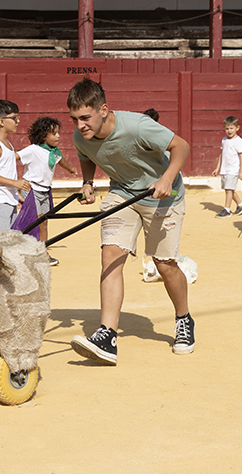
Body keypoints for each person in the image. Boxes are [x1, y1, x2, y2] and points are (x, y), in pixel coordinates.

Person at [67, 77, 194, 364]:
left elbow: (181, 147)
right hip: (122, 194)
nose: (79, 126)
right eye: (74, 119)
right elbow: (85, 154)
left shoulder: (136, 125)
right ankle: (107, 335)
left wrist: (166, 178)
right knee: (111, 256)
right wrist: (87, 181)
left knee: (164, 265)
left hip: (164, 196)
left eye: (85, 117)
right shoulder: (80, 136)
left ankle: (184, 318)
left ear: (104, 110)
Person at [17, 116, 78, 265]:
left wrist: (70, 168)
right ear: (44, 135)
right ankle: (28, 251)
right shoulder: (33, 150)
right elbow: (14, 157)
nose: (58, 136)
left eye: (58, 132)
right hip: (31, 189)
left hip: (45, 190)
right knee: (33, 221)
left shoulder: (54, 152)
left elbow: (60, 160)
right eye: (54, 133)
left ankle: (42, 251)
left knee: (43, 222)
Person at [0, 99, 30, 232]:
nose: (18, 121)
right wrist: (15, 183)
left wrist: (17, 195)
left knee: (11, 239)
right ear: (2, 121)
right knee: (4, 240)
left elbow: (5, 172)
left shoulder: (8, 144)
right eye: (14, 117)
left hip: (10, 199)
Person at [211, 115, 242, 217]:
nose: (229, 131)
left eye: (231, 128)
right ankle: (240, 204)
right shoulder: (224, 140)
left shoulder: (239, 141)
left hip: (233, 169)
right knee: (229, 189)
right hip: (224, 169)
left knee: (229, 189)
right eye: (227, 128)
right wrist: (217, 168)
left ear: (237, 128)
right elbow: (222, 154)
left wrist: (241, 171)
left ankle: (227, 210)